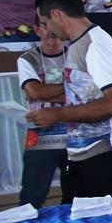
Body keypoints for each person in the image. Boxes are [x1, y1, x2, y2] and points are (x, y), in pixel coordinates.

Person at [26, 0, 112, 204]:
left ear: (57, 14)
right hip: (78, 151)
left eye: (45, 23)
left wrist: (59, 115)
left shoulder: (96, 44)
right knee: (74, 219)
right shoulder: (77, 44)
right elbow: (82, 92)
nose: (48, 31)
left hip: (104, 153)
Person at [16, 16, 68, 208]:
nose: (51, 31)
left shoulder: (76, 55)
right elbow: (34, 92)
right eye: (45, 26)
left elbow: (88, 92)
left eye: (55, 24)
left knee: (75, 193)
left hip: (74, 130)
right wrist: (70, 87)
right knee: (32, 196)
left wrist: (43, 93)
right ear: (37, 30)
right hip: (41, 133)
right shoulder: (27, 59)